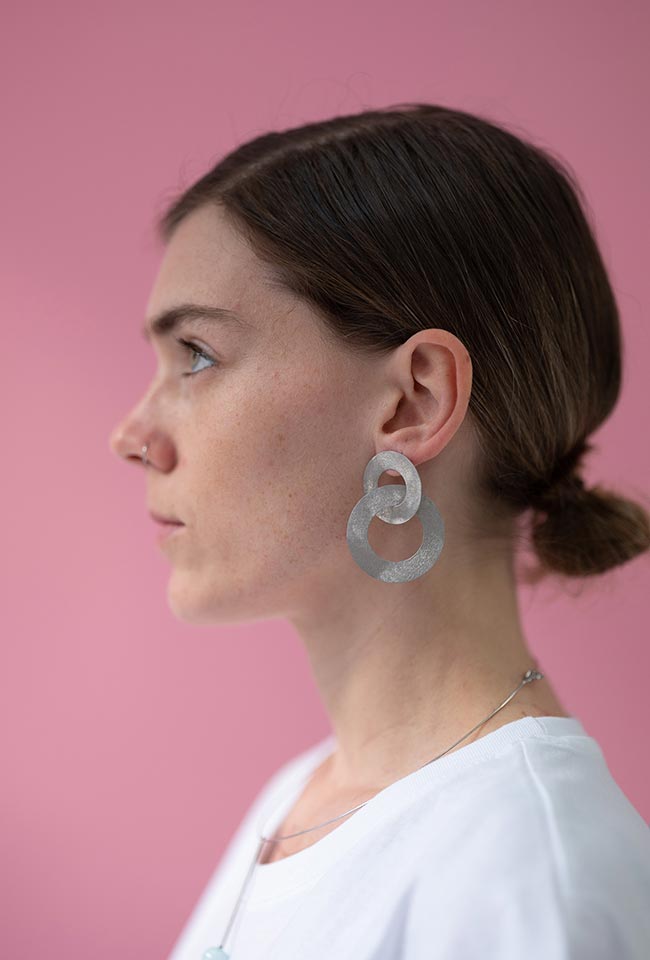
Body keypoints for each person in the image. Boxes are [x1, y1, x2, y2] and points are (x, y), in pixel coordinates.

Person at [109, 103, 650, 959]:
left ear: (414, 400)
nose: (133, 435)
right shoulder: (301, 801)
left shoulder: (531, 876)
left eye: (198, 356)